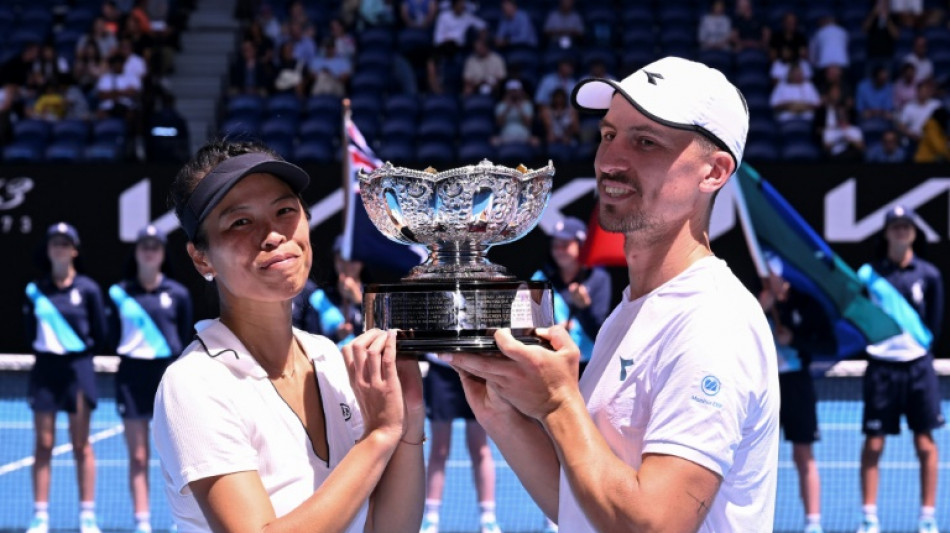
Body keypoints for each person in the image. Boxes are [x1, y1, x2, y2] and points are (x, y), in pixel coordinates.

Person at [444, 56, 779, 531]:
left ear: (714, 172)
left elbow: (654, 524)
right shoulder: (635, 309)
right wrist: (501, 414)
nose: (610, 160)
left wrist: (558, 404)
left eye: (645, 142)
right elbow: (584, 504)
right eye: (608, 135)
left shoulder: (712, 322)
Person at [153, 141, 425, 532]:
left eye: (285, 211)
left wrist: (408, 419)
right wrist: (380, 436)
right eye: (240, 222)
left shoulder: (329, 357)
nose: (273, 234)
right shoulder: (194, 382)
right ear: (201, 258)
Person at [856, 205, 945, 533]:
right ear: (886, 233)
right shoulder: (869, 275)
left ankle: (927, 518)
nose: (901, 231)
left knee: (925, 443)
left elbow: (933, 323)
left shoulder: (930, 275)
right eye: (895, 226)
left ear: (914, 232)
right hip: (881, 369)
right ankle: (868, 519)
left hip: (918, 369)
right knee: (874, 444)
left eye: (906, 226)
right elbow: (860, 316)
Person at [23, 222, 109, 533]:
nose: (59, 247)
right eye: (54, 243)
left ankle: (87, 516)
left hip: (78, 370)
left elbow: (99, 333)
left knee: (81, 444)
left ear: (74, 250)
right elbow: (30, 331)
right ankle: (40, 516)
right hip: (46, 370)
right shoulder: (35, 291)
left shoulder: (88, 289)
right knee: (44, 444)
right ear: (48, 251)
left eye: (65, 243)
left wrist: (77, 353)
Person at [107, 225, 193, 533]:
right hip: (131, 378)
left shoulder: (178, 294)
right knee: (139, 457)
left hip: (165, 376)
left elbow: (183, 334)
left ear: (161, 253)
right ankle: (142, 524)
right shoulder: (119, 294)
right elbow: (111, 333)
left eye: (155, 246)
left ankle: (178, 522)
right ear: (136, 252)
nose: (149, 251)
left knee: (176, 458)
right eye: (144, 245)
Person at [759, 254, 835, 533]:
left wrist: (795, 340)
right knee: (752, 458)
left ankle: (813, 525)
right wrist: (759, 308)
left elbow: (829, 346)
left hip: (797, 386)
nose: (768, 280)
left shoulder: (807, 305)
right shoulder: (751, 304)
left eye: (771, 274)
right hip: (762, 387)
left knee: (803, 454)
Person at [419, 354, 502, 533]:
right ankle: (431, 519)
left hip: (475, 367)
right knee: (439, 449)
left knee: (480, 448)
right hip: (441, 370)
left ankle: (488, 519)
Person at [531, 216, 611, 376]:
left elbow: (602, 335)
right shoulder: (539, 279)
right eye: (555, 244)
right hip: (549, 364)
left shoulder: (599, 278)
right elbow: (528, 328)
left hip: (587, 367)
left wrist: (584, 308)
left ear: (581, 245)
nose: (559, 250)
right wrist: (552, 332)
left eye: (565, 244)